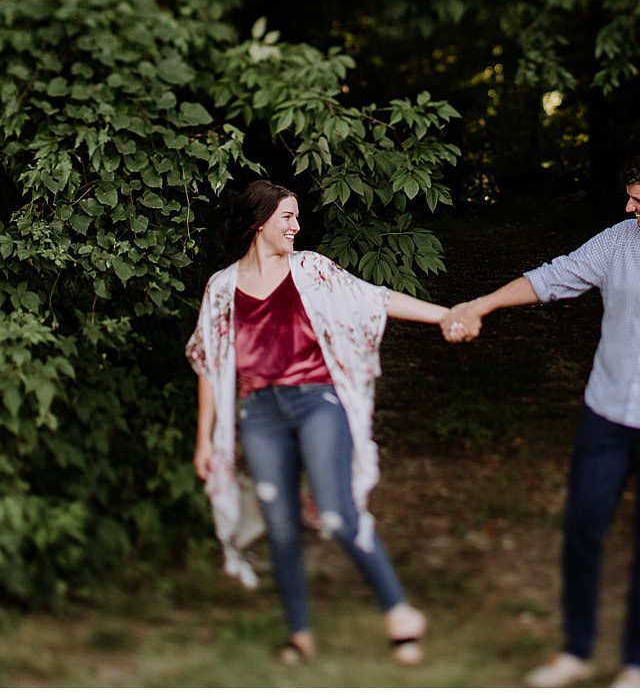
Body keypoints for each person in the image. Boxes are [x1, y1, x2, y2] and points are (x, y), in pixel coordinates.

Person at [441, 147, 640, 688]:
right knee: (583, 531)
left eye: (638, 199)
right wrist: (483, 304)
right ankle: (577, 652)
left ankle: (636, 665)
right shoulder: (616, 241)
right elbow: (555, 277)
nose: (629, 207)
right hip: (607, 416)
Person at [188, 179, 451, 666]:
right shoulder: (222, 287)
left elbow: (376, 299)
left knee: (335, 511)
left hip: (316, 403)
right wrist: (203, 440)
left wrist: (445, 315)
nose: (296, 225)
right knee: (281, 526)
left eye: (296, 216)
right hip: (259, 414)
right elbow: (207, 362)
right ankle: (300, 635)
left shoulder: (311, 270)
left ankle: (400, 611)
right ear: (259, 222)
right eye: (287, 217)